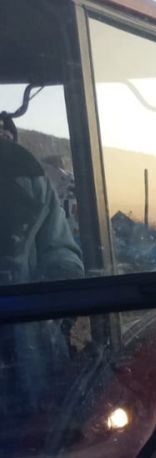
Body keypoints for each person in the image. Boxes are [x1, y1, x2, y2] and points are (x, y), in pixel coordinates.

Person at [0, 112, 84, 416]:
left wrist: (57, 292)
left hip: (28, 347)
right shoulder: (33, 179)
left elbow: (61, 253)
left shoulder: (31, 181)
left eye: (4, 135)